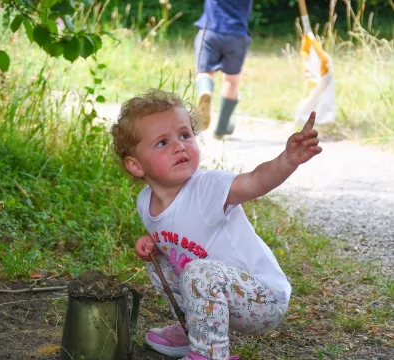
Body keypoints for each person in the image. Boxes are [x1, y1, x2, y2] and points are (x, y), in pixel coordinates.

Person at [110, 89, 322, 360]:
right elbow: (179, 236)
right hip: (218, 293)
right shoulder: (145, 201)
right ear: (136, 165)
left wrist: (287, 160)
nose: (179, 146)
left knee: (199, 272)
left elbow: (255, 181)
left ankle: (209, 354)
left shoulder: (207, 188)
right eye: (162, 142)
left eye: (185, 135)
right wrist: (153, 242)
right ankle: (195, 331)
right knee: (160, 259)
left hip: (261, 298)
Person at [193, 0, 254, 139]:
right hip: (237, 35)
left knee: (204, 73)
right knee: (231, 81)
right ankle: (221, 128)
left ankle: (205, 91)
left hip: (209, 31)